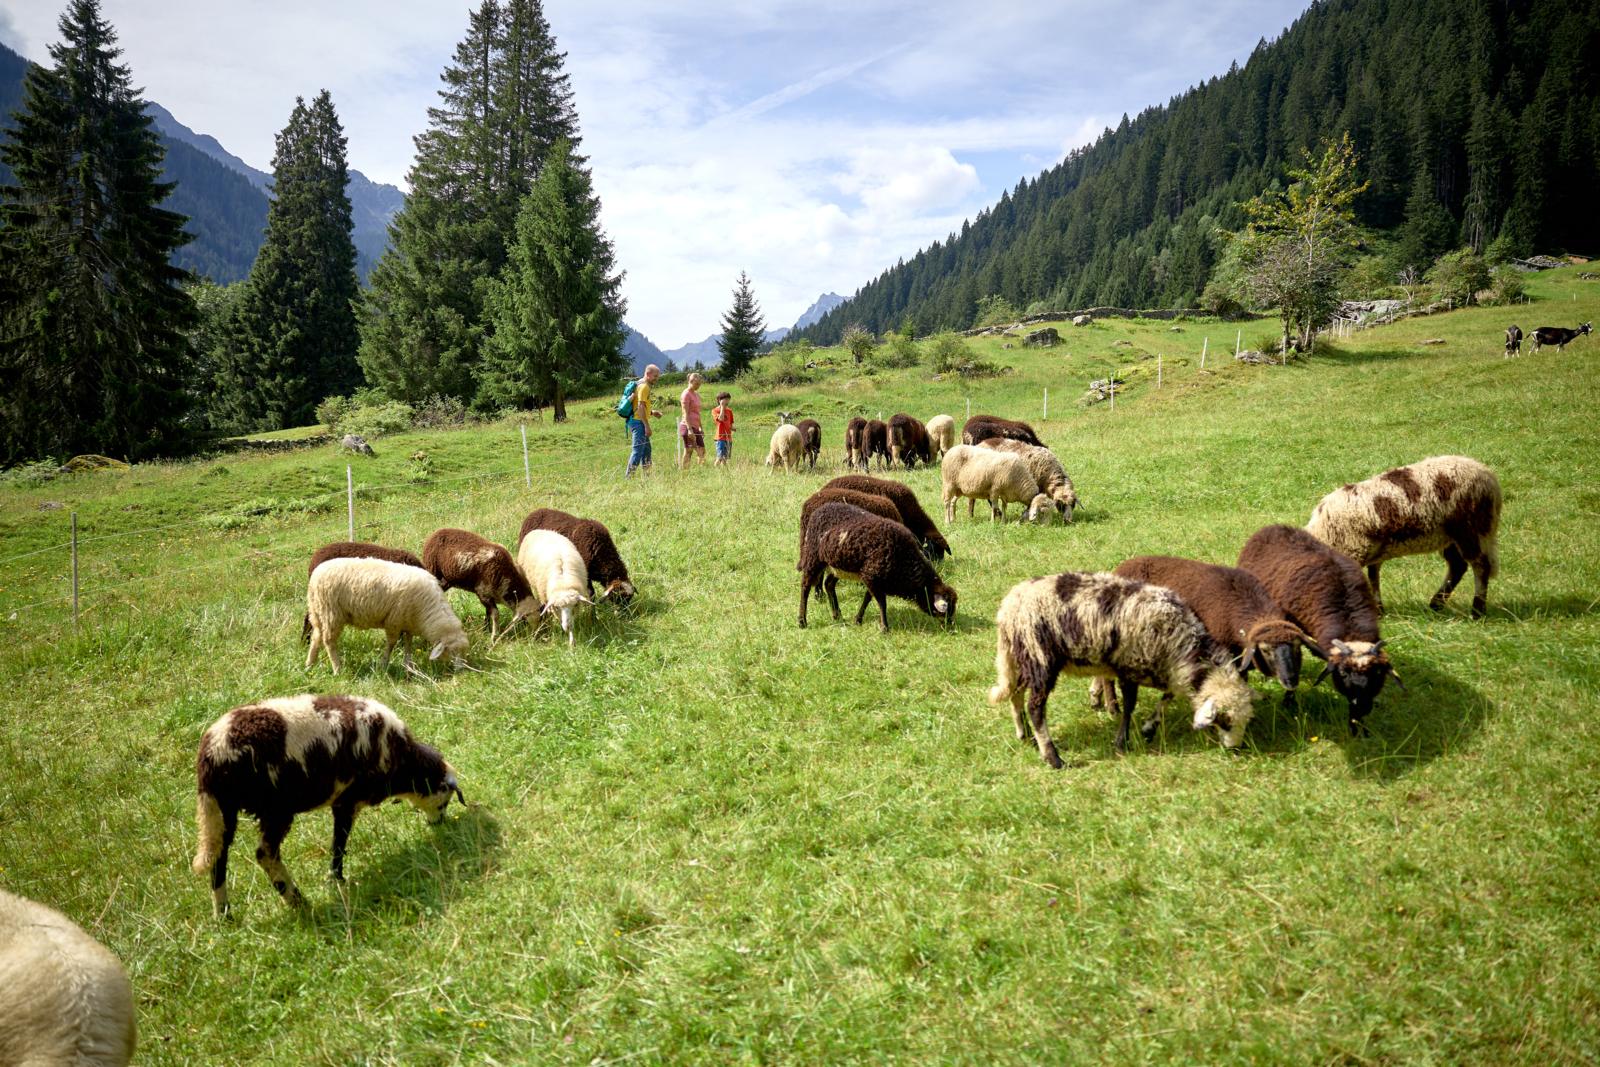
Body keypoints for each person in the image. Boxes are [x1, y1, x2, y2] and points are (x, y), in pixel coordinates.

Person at [625, 363, 661, 476]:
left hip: (638, 420)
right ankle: (628, 478)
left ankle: (647, 477)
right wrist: (647, 426)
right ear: (648, 374)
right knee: (637, 451)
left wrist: (652, 412)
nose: (657, 379)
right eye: (655, 376)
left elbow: (639, 406)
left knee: (646, 451)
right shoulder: (644, 387)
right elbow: (640, 407)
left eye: (658, 376)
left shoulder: (641, 383)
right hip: (638, 422)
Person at [678, 372, 706, 469]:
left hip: (695, 426)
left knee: (702, 450)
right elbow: (685, 413)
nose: (698, 386)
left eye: (700, 384)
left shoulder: (696, 394)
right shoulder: (686, 394)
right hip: (687, 426)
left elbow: (697, 413)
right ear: (691, 381)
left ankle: (700, 470)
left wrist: (700, 427)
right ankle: (684, 472)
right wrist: (689, 429)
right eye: (697, 384)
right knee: (689, 450)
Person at [711, 390, 734, 466]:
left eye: (728, 399)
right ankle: (715, 468)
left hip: (728, 437)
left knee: (725, 458)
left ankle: (723, 470)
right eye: (725, 399)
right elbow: (720, 419)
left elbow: (730, 424)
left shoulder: (729, 411)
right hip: (720, 437)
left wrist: (733, 428)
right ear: (719, 400)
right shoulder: (715, 410)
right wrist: (722, 407)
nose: (727, 401)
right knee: (719, 457)